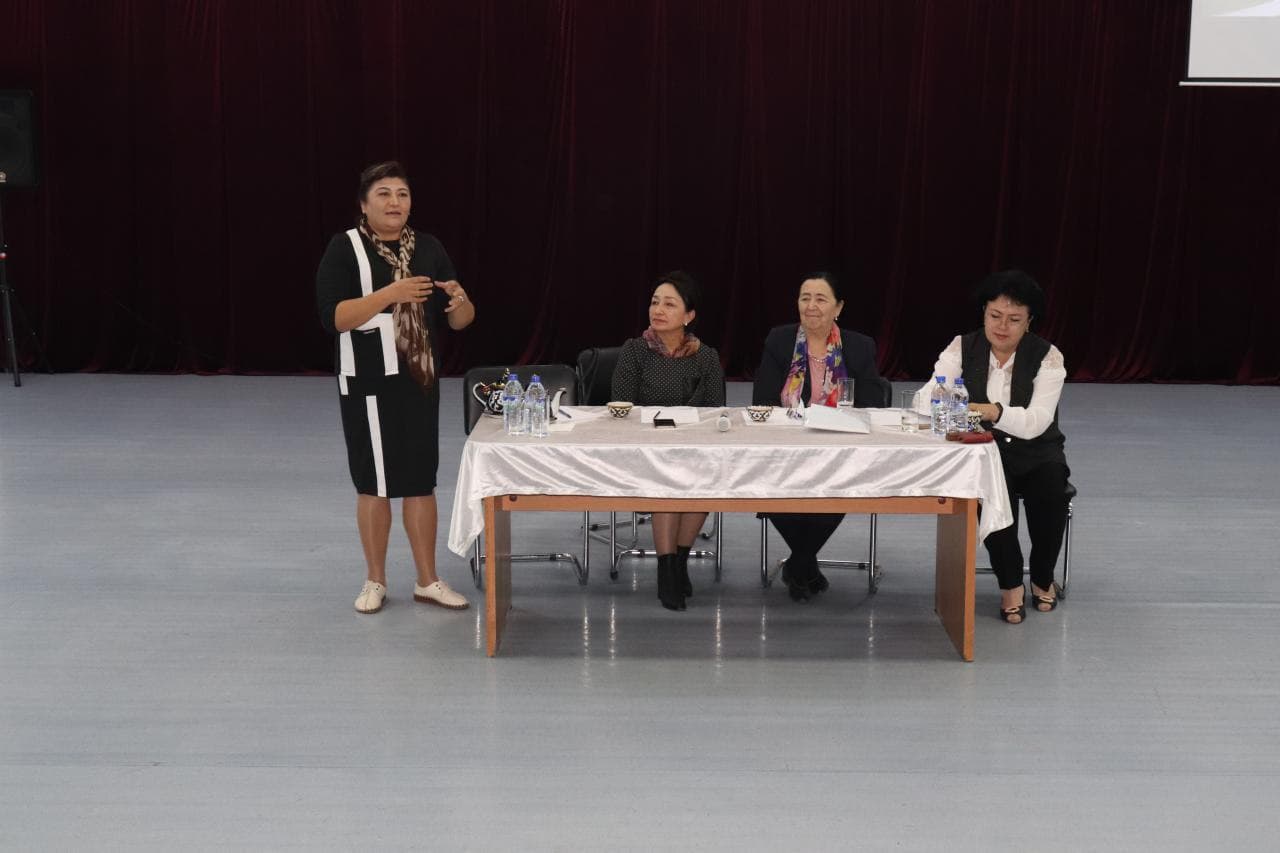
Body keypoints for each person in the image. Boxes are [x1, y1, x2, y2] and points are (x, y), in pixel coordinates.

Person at [315, 161, 476, 614]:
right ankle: (375, 580)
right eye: (384, 194)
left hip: (418, 379)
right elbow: (333, 317)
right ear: (364, 205)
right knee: (375, 483)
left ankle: (428, 580)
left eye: (402, 194)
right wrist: (390, 294)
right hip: (366, 382)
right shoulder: (345, 248)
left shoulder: (428, 247)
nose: (394, 202)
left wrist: (461, 302)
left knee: (421, 480)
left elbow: (460, 322)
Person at [916, 270, 1070, 624]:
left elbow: (1036, 421)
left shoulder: (1048, 356)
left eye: (1014, 319)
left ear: (1029, 321)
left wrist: (991, 411)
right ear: (983, 313)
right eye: (995, 315)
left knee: (1051, 493)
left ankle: (1043, 576)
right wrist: (950, 401)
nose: (1002, 326)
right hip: (983, 450)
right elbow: (926, 399)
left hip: (1038, 451)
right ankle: (1010, 584)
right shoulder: (961, 347)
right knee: (989, 492)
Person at [752, 272, 887, 602]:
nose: (811, 306)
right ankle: (805, 565)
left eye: (821, 299)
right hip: (786, 448)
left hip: (838, 450)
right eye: (805, 298)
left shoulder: (859, 346)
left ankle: (799, 563)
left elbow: (872, 405)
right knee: (768, 483)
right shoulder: (779, 341)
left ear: (838, 307)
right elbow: (763, 400)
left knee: (840, 484)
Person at [612, 270, 726, 611]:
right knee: (669, 476)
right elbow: (622, 406)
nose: (658, 310)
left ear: (689, 315)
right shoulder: (635, 351)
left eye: (669, 304)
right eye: (654, 302)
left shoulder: (706, 356)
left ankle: (679, 562)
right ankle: (666, 571)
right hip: (646, 451)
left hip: (692, 448)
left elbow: (715, 410)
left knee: (702, 475)